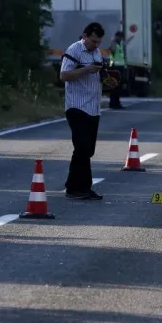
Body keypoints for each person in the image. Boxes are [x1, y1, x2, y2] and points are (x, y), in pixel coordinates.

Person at [59, 22, 106, 200]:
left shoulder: (97, 52)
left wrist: (108, 79)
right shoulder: (74, 50)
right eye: (93, 41)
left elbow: (99, 76)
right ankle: (74, 187)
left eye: (98, 42)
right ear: (85, 36)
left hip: (93, 108)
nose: (96, 45)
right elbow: (63, 76)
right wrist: (85, 69)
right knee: (82, 147)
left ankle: (83, 188)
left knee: (88, 150)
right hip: (76, 106)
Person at [106, 29, 130, 110]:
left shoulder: (119, 44)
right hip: (115, 67)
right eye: (120, 37)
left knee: (118, 86)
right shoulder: (114, 44)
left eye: (121, 37)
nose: (121, 38)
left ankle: (117, 102)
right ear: (117, 36)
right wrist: (111, 66)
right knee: (114, 86)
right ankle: (113, 103)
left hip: (120, 67)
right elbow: (111, 55)